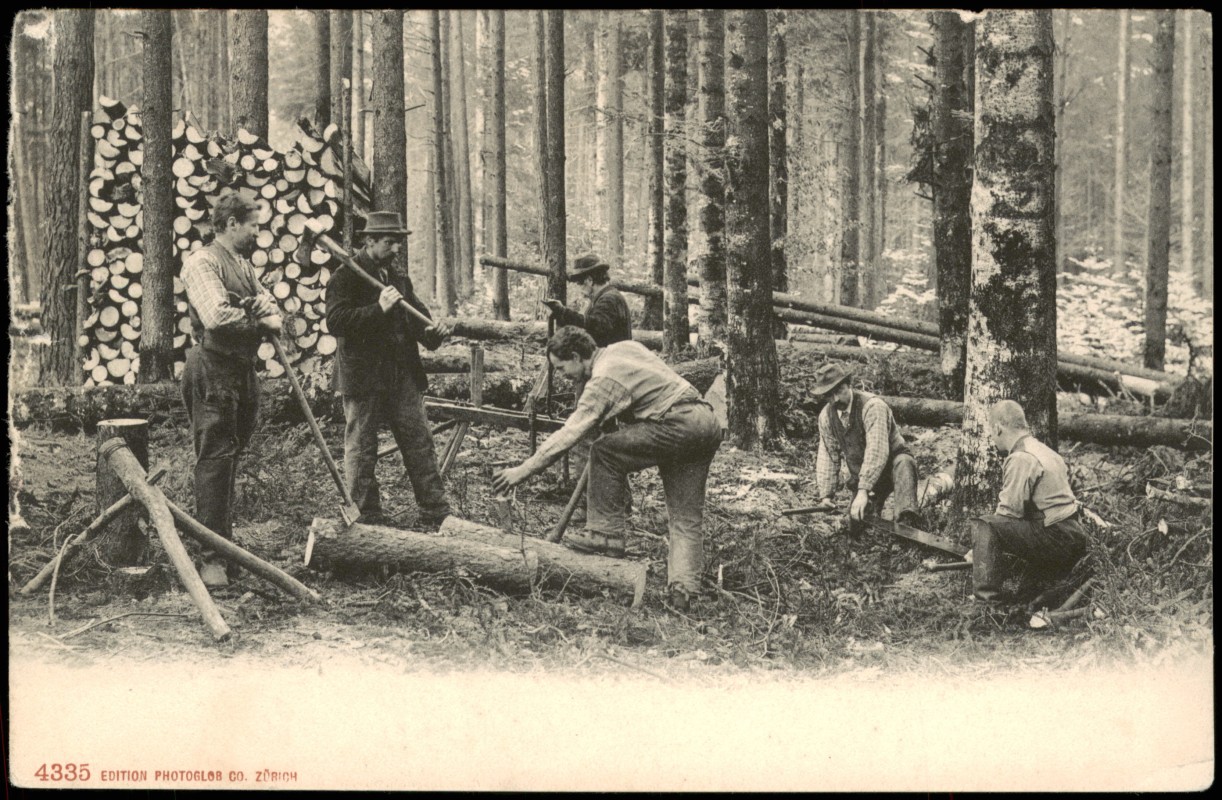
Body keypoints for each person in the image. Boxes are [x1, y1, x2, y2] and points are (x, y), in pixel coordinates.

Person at [491, 327, 722, 610]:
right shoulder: (623, 348)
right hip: (705, 422)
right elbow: (644, 388)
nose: (564, 376)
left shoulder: (602, 379)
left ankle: (606, 535)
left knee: (604, 451)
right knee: (685, 516)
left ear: (577, 356)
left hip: (677, 423)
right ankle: (683, 595)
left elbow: (568, 435)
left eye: (562, 368)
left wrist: (521, 471)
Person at [325, 211, 453, 527]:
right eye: (389, 242)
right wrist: (377, 309)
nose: (396, 249)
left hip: (401, 376)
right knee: (362, 449)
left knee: (419, 441)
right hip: (364, 377)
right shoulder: (346, 277)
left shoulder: (397, 279)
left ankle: (436, 512)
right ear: (368, 241)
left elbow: (418, 319)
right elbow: (336, 322)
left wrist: (432, 332)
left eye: (398, 242)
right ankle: (366, 519)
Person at [181, 191, 282, 588]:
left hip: (242, 370)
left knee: (232, 456)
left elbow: (274, 308)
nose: (258, 232)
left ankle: (224, 545)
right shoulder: (202, 261)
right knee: (215, 460)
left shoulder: (242, 265)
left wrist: (266, 314)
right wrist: (259, 320)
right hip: (212, 368)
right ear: (231, 223)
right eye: (253, 224)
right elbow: (217, 316)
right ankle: (210, 559)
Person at [540, 253, 634, 525]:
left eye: (582, 283)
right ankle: (617, 504)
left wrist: (564, 313)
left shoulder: (609, 300)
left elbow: (595, 332)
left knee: (586, 438)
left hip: (600, 378)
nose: (581, 289)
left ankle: (588, 508)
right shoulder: (606, 300)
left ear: (592, 280)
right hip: (602, 376)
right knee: (603, 441)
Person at [969, 400, 1089, 605]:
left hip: (1056, 537)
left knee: (985, 524)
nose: (992, 437)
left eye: (991, 431)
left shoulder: (1021, 457)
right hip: (1074, 534)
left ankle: (986, 602)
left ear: (998, 428)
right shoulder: (1044, 450)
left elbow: (1008, 513)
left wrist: (979, 548)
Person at [809, 363, 920, 530]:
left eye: (839, 391)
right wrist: (826, 495)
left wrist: (863, 490)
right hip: (864, 476)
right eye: (829, 396)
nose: (836, 399)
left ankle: (907, 520)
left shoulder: (872, 406)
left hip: (891, 469)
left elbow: (877, 450)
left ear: (849, 385)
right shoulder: (826, 417)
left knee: (904, 462)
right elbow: (828, 454)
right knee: (857, 525)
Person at [541, 253, 632, 347]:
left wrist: (562, 312)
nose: (579, 288)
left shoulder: (609, 299)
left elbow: (594, 327)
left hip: (612, 359)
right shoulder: (605, 297)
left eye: (579, 283)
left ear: (589, 280)